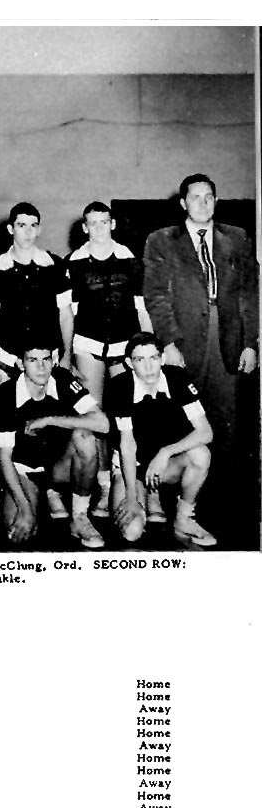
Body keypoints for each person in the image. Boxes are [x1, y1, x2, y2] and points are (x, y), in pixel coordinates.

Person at [142, 174, 258, 457]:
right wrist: (169, 343)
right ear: (183, 203)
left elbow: (250, 294)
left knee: (225, 416)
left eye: (208, 198)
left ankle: (223, 480)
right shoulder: (161, 240)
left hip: (227, 338)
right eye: (195, 198)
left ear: (216, 201)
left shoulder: (237, 237)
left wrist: (250, 344)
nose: (203, 204)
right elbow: (156, 297)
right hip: (184, 337)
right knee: (184, 416)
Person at [64, 201, 151, 518]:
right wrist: (67, 354)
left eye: (104, 222)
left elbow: (141, 308)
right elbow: (68, 314)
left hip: (124, 345)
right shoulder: (73, 262)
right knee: (95, 415)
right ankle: (102, 485)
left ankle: (128, 477)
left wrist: (149, 345)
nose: (99, 228)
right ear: (84, 227)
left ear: (112, 224)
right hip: (88, 345)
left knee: (127, 413)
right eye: (93, 223)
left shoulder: (130, 259)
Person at [0, 343, 109, 549]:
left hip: (56, 468)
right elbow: (4, 458)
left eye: (46, 359)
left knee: (85, 437)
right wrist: (25, 509)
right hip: (24, 471)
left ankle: (79, 517)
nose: (41, 367)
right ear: (20, 364)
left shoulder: (62, 379)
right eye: (33, 360)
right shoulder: (5, 394)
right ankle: (17, 499)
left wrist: (50, 420)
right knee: (19, 533)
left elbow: (103, 423)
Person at [106, 333, 216, 547]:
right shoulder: (120, 386)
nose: (148, 367)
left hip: (162, 466)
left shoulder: (177, 378)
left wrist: (166, 452)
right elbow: (127, 446)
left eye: (154, 358)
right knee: (132, 532)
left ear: (163, 358)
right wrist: (131, 498)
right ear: (129, 363)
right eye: (140, 359)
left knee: (201, 454)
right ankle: (142, 496)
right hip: (132, 467)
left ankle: (184, 519)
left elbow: (205, 432)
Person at [0, 203, 72, 386]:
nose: (28, 231)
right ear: (11, 229)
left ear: (39, 229)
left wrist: (67, 355)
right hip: (8, 359)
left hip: (47, 359)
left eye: (33, 225)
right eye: (21, 225)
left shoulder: (55, 266)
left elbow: (66, 315)